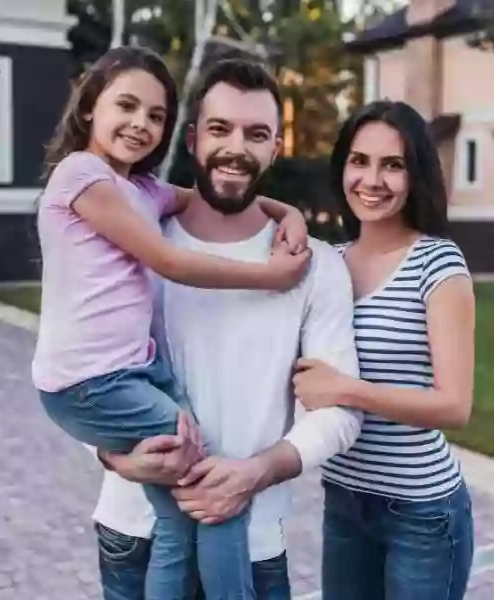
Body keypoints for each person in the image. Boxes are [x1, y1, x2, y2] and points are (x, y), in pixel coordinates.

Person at [32, 46, 312, 600]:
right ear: (89, 107)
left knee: (184, 510)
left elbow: (214, 195)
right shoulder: (80, 175)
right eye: (127, 106)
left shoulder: (142, 191)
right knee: (211, 495)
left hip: (131, 374)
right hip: (93, 382)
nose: (140, 124)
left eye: (155, 115)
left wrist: (291, 213)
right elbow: (169, 261)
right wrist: (270, 277)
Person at [91, 58, 364, 600]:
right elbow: (85, 374)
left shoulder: (316, 267)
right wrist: (114, 456)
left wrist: (255, 472)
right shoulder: (135, 244)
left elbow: (338, 413)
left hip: (252, 537)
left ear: (275, 148)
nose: (236, 147)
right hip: (137, 531)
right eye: (220, 129)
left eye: (256, 134)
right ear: (192, 139)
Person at [293, 100, 475, 600]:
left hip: (421, 514)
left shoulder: (436, 262)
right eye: (359, 161)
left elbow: (454, 405)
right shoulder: (327, 263)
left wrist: (345, 390)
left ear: (415, 174)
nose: (372, 179)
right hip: (345, 500)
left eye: (392, 165)